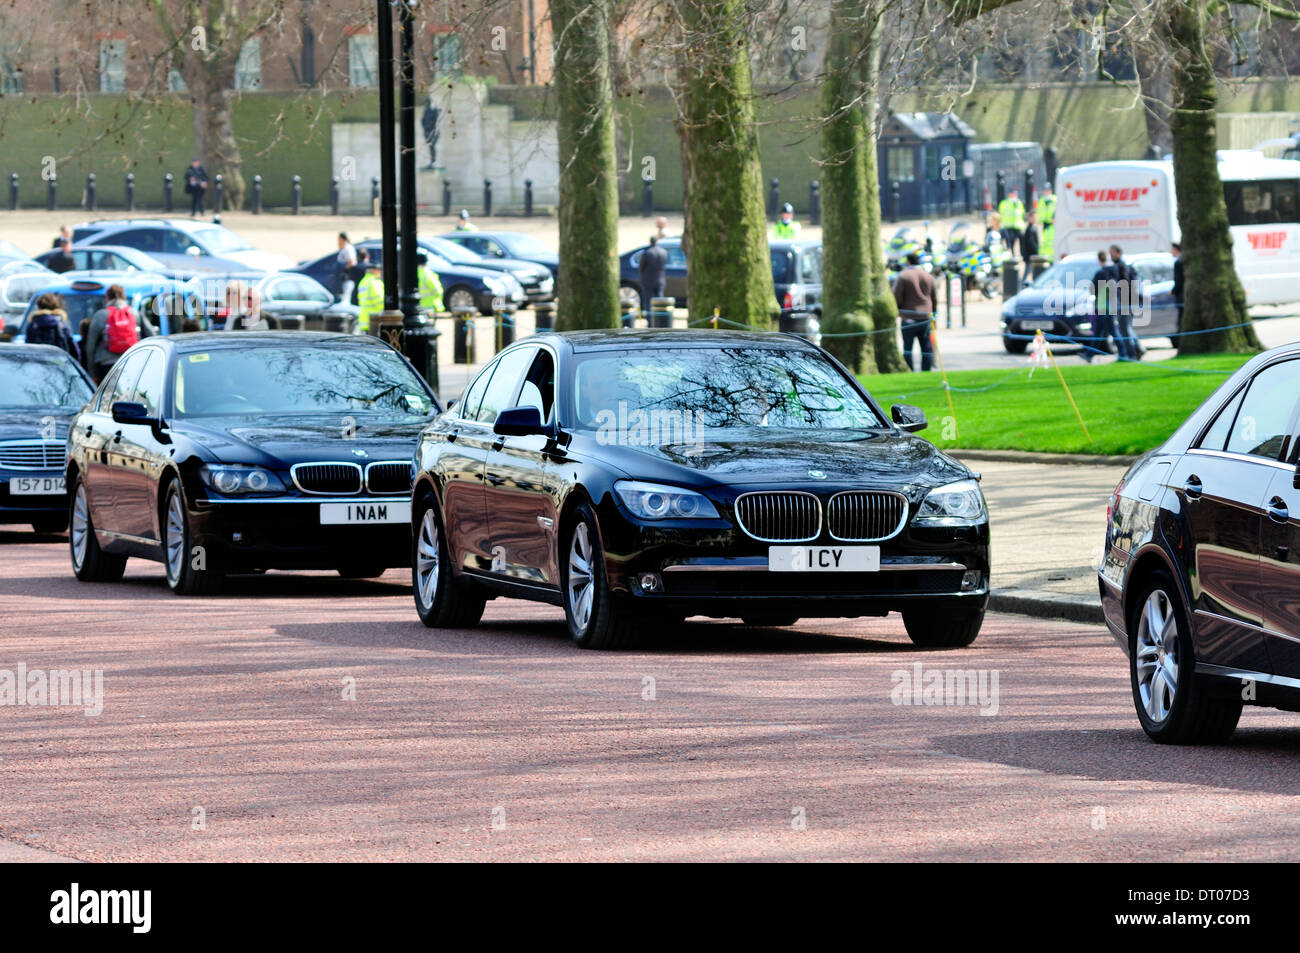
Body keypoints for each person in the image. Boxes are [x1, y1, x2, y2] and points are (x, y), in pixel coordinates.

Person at [85, 285, 156, 380]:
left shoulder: (100, 315)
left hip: (106, 366)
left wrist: (92, 372)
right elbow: (152, 335)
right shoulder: (135, 313)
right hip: (132, 362)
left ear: (107, 298)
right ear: (124, 297)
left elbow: (90, 345)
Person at [893, 251, 937, 372]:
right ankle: (926, 371)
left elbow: (896, 296)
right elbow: (934, 298)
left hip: (908, 317)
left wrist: (897, 309)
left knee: (908, 348)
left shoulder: (903, 276)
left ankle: (910, 369)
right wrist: (934, 315)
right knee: (926, 348)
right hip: (926, 316)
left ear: (908, 262)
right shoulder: (928, 276)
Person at [23, 293, 79, 362]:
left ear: (38, 306)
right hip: (59, 363)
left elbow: (27, 348)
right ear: (56, 305)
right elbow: (73, 348)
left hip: (38, 363)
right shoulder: (63, 324)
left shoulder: (32, 325)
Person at [1108, 244, 1141, 361]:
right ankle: (1137, 348)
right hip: (1126, 301)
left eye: (1112, 252)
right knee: (1126, 328)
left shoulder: (1120, 267)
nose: (1110, 255)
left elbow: (1124, 283)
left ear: (1118, 253)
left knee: (1124, 329)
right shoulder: (1122, 266)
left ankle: (1132, 353)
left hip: (1124, 302)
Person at [1083, 250, 1112, 364]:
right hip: (1110, 305)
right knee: (1100, 331)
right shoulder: (1112, 271)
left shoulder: (1101, 273)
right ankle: (1089, 354)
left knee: (1110, 332)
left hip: (1102, 306)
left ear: (1099, 260)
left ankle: (1126, 351)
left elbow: (1092, 289)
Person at [638, 235, 668, 317]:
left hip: (649, 280)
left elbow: (641, 268)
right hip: (661, 279)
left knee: (648, 302)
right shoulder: (664, 252)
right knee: (660, 302)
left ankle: (649, 321)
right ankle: (660, 320)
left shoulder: (647, 253)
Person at [356, 261, 384, 334]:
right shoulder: (374, 282)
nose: (380, 273)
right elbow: (379, 300)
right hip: (374, 320)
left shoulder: (362, 282)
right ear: (374, 271)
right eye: (379, 270)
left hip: (364, 320)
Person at [997, 187, 1025, 257]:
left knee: (1022, 243)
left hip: (1018, 226)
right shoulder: (1004, 203)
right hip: (1008, 226)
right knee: (1010, 243)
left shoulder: (1019, 203)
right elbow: (1001, 214)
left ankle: (1022, 255)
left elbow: (1022, 214)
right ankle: (1011, 255)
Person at [336, 233, 358, 304]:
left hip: (348, 275)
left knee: (347, 295)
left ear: (342, 239)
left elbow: (352, 262)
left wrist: (344, 269)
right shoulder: (345, 248)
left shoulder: (348, 248)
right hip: (346, 275)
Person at [1037, 185, 1057, 259]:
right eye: (1045, 190)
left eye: (1048, 190)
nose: (1046, 192)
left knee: (1052, 238)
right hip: (1045, 222)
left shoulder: (1055, 199)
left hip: (1054, 222)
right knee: (1046, 239)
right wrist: (1039, 220)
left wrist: (1055, 218)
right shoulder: (1042, 200)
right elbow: (1040, 211)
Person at [421, 98, 440, 169]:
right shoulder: (426, 111)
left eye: (428, 102)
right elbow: (422, 121)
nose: (427, 104)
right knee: (430, 147)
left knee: (432, 146)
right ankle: (432, 162)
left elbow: (435, 121)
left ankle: (433, 162)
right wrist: (425, 129)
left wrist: (430, 128)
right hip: (427, 132)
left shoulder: (434, 111)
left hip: (433, 133)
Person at [1020, 210, 1040, 275]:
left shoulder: (1032, 228)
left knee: (1029, 271)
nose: (1035, 219)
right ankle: (1023, 283)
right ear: (1029, 218)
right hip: (1030, 255)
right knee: (1028, 271)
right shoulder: (1030, 229)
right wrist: (1036, 252)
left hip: (1031, 255)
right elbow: (1030, 243)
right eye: (1034, 217)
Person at [1171, 242, 1185, 334]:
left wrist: (1173, 291)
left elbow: (1179, 280)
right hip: (1184, 295)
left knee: (1181, 317)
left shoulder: (1178, 262)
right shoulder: (1183, 260)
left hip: (1181, 295)